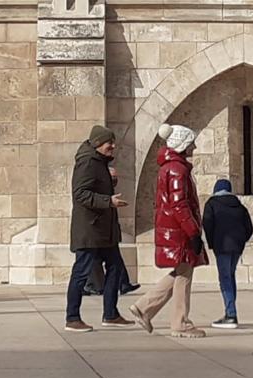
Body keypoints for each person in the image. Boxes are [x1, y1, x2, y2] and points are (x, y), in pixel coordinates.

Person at [129, 123, 208, 338]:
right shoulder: (177, 169)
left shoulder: (172, 167)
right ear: (182, 144)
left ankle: (145, 308)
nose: (194, 146)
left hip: (175, 228)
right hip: (179, 230)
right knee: (184, 272)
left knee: (183, 270)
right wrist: (192, 232)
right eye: (191, 142)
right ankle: (179, 322)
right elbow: (179, 203)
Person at [65, 125, 134, 332]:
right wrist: (108, 200)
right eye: (109, 143)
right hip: (90, 229)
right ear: (97, 144)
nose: (113, 146)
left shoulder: (100, 162)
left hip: (104, 229)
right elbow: (80, 193)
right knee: (81, 271)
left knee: (115, 268)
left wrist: (110, 181)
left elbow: (95, 188)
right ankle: (72, 317)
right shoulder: (87, 162)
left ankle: (111, 314)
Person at [203, 179, 253, 329]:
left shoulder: (211, 204)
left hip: (222, 246)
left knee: (225, 279)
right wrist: (241, 241)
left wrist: (212, 243)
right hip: (236, 247)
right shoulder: (239, 206)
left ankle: (231, 314)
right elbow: (249, 228)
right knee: (230, 276)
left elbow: (207, 224)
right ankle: (230, 311)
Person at [83, 167, 140, 297]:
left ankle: (122, 284)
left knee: (113, 258)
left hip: (107, 231)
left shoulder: (107, 191)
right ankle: (92, 286)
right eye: (112, 178)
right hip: (97, 231)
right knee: (91, 260)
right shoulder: (96, 191)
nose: (114, 181)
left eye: (115, 178)